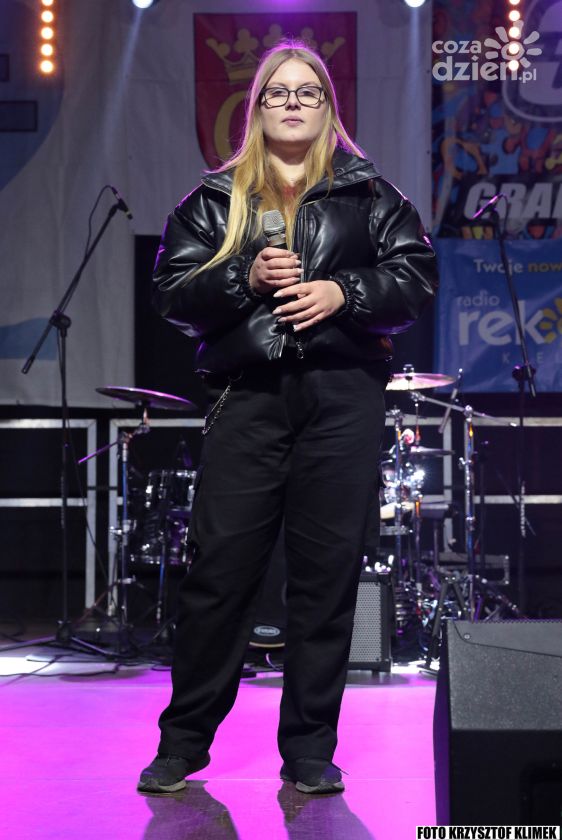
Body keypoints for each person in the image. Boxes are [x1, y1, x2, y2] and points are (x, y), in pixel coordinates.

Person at [138, 40, 438, 796]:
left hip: (343, 396)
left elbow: (416, 277)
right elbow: (171, 293)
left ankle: (308, 749)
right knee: (219, 575)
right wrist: (243, 276)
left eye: (308, 92)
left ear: (328, 107)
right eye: (279, 92)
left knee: (326, 578)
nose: (294, 103)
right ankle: (183, 743)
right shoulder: (216, 199)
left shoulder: (371, 194)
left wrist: (346, 293)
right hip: (249, 398)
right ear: (258, 108)